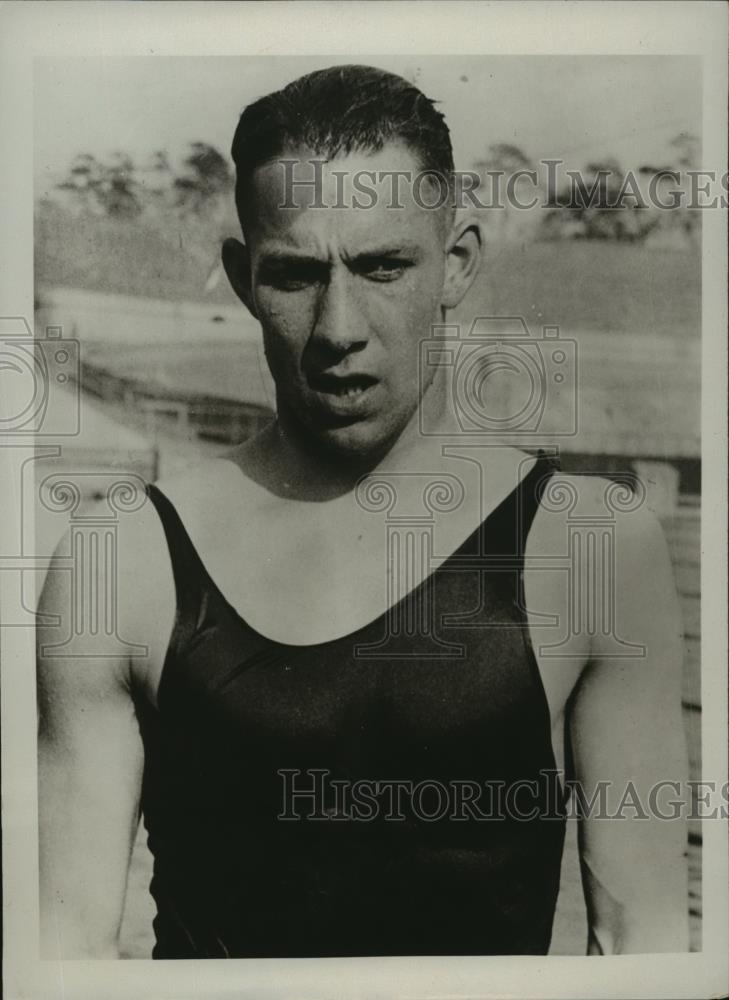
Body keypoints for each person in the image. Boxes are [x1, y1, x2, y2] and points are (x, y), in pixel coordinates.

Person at [37, 64, 689, 960]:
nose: (339, 325)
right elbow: (60, 954)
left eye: (383, 266)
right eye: (295, 275)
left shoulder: (591, 547)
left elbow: (641, 944)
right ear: (239, 279)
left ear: (456, 261)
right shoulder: (122, 560)